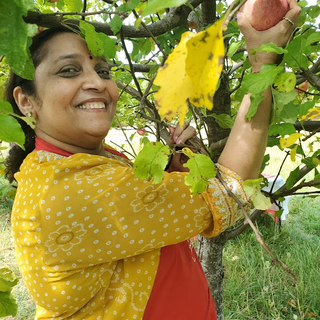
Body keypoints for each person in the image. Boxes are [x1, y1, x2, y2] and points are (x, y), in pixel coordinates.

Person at [5, 1, 300, 319]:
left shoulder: (72, 164)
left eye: (103, 71)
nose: (98, 83)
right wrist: (263, 62)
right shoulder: (67, 191)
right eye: (68, 70)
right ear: (26, 101)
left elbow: (142, 225)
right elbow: (230, 192)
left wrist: (176, 170)